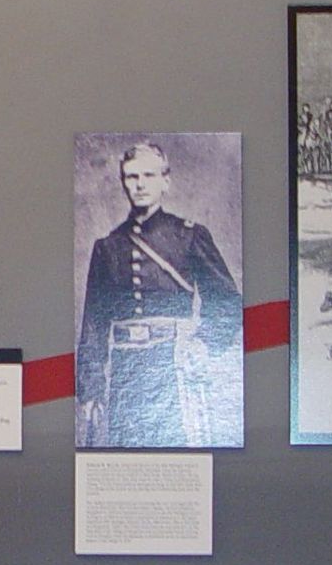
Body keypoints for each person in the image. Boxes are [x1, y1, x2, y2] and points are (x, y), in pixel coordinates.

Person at [75, 141, 242, 447]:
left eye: (148, 175)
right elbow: (93, 324)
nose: (140, 185)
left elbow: (227, 301)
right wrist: (91, 390)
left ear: (166, 181)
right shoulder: (108, 247)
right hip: (126, 372)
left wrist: (205, 343)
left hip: (174, 366)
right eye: (132, 176)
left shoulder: (189, 236)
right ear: (123, 182)